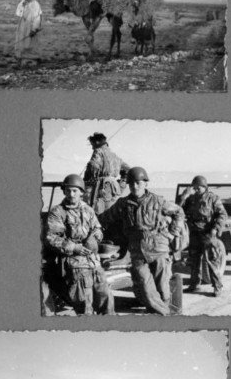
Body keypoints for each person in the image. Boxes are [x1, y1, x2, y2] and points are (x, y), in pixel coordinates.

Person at [100, 167, 185, 315]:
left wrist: (172, 233)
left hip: (158, 247)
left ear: (145, 183)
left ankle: (161, 315)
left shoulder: (158, 201)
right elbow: (104, 218)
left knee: (163, 287)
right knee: (145, 288)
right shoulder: (123, 203)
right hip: (137, 250)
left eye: (138, 183)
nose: (134, 186)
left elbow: (179, 212)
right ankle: (170, 315)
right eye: (131, 183)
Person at [44, 173, 115, 315]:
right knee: (84, 303)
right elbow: (51, 238)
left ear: (81, 192)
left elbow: (97, 228)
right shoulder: (58, 212)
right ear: (64, 191)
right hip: (75, 263)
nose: (71, 194)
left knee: (105, 297)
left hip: (93, 261)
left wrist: (96, 236)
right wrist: (74, 247)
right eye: (68, 190)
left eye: (75, 190)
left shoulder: (88, 210)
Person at [179, 175, 228, 297]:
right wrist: (183, 196)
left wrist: (215, 229)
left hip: (208, 233)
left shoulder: (213, 198)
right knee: (194, 260)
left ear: (204, 187)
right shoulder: (191, 199)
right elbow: (179, 210)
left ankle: (217, 287)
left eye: (198, 188)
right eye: (194, 188)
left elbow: (222, 215)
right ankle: (194, 285)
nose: (196, 190)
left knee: (212, 260)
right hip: (194, 233)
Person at [82, 132, 130, 215]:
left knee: (98, 215)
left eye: (92, 144)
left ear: (96, 142)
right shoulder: (114, 156)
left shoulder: (98, 151)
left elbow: (93, 167)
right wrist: (122, 184)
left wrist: (85, 181)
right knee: (111, 214)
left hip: (101, 189)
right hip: (115, 189)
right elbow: (128, 170)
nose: (92, 147)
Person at [14, 0, 43, 66]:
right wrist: (22, 7)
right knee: (22, 42)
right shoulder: (22, 2)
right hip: (22, 26)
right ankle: (21, 58)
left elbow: (37, 17)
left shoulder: (35, 4)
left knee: (31, 42)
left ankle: (33, 59)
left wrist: (34, 29)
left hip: (30, 27)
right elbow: (18, 14)